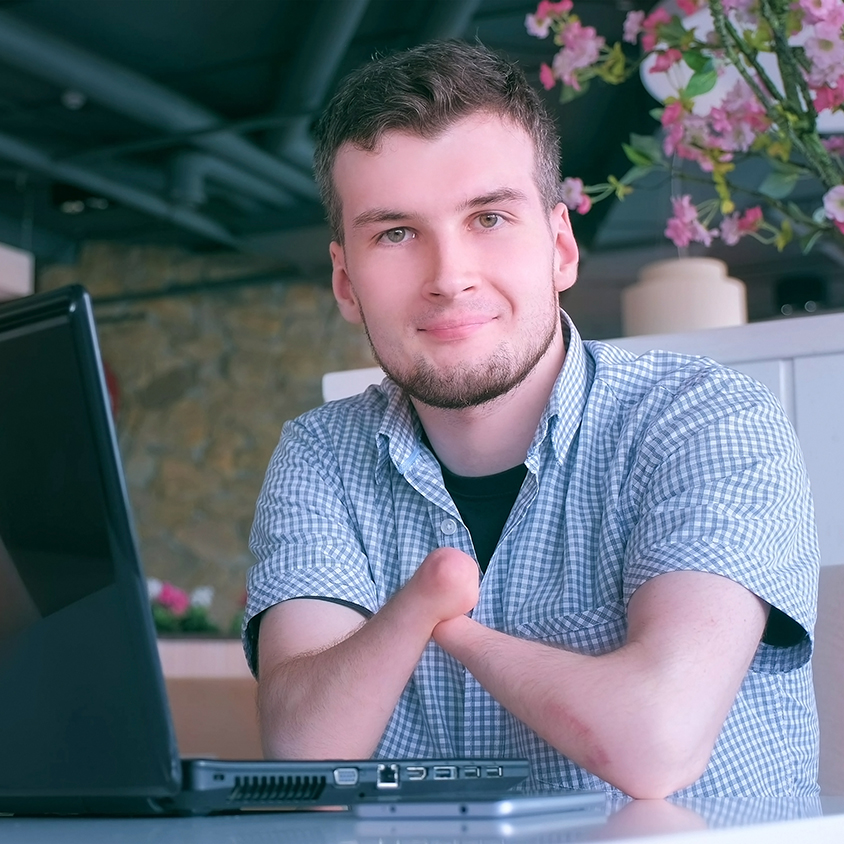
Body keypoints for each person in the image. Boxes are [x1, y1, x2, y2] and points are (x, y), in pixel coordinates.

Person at [243, 40, 819, 799]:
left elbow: (656, 743)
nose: (449, 278)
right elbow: (302, 749)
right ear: (346, 283)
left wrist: (445, 621)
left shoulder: (706, 418)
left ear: (559, 247)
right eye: (395, 233)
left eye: (487, 218)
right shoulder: (320, 453)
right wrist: (420, 603)